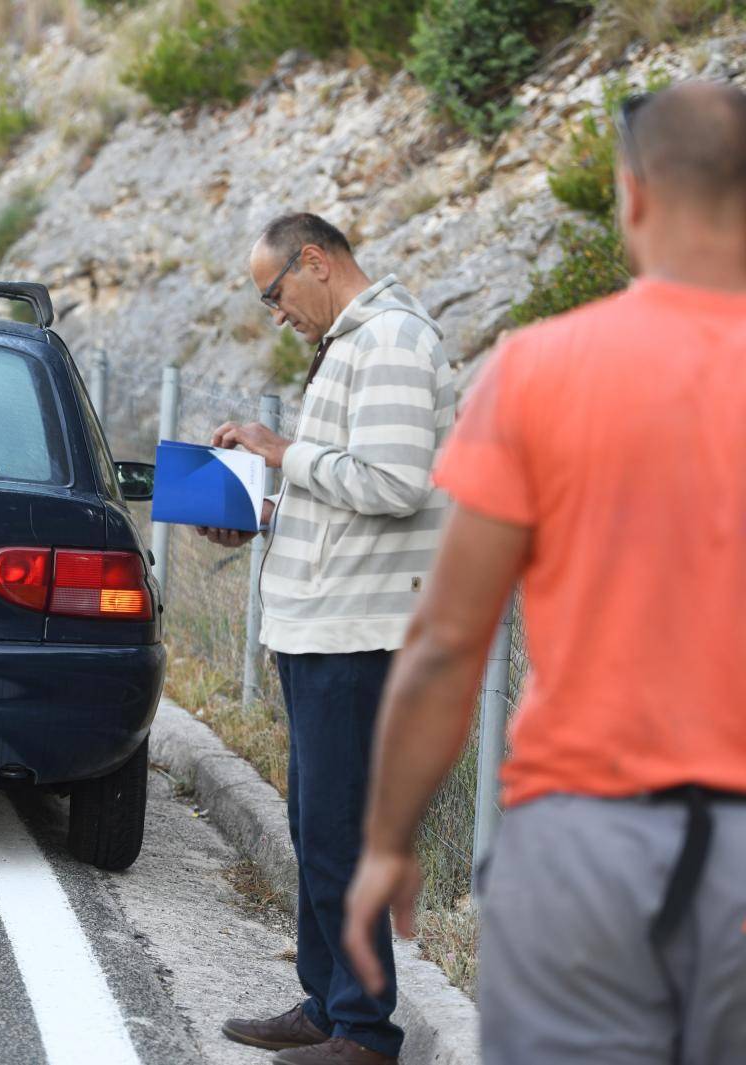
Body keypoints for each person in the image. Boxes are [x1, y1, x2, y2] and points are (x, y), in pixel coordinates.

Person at [343, 80, 746, 1065]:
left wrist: (390, 840)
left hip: (582, 844)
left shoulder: (539, 368)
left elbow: (446, 641)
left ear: (633, 195)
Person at [208, 213, 455, 1065]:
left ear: (315, 261)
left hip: (361, 631)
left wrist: (281, 450)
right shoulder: (356, 340)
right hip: (323, 622)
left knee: (342, 830)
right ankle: (328, 1002)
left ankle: (363, 1030)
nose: (277, 314)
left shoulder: (388, 340)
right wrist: (261, 513)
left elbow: (393, 481)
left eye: (274, 294)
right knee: (315, 822)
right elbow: (347, 492)